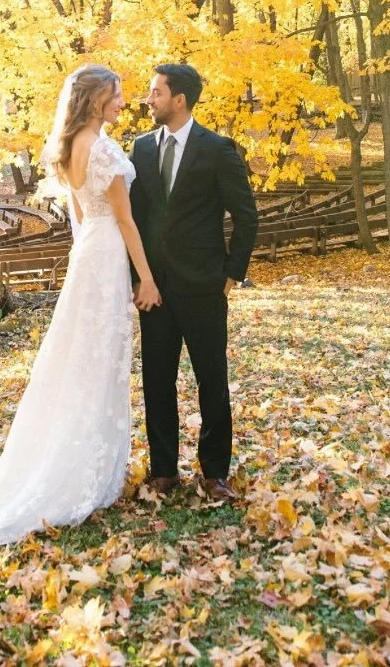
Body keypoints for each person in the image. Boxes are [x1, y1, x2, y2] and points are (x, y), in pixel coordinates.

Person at [0, 65, 161, 545]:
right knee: (100, 360)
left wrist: (87, 259)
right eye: (117, 95)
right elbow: (125, 222)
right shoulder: (102, 148)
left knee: (81, 359)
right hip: (106, 255)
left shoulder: (68, 149)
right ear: (97, 99)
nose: (124, 102)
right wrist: (145, 278)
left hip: (88, 256)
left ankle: (81, 458)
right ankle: (84, 471)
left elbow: (82, 216)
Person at [129, 63, 258, 502]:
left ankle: (215, 472)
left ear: (179, 99)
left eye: (156, 92)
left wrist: (231, 275)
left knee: (212, 380)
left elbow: (246, 215)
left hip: (204, 286)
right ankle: (164, 471)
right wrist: (138, 278)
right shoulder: (141, 149)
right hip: (155, 290)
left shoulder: (218, 149)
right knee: (157, 380)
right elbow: (135, 218)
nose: (149, 99)